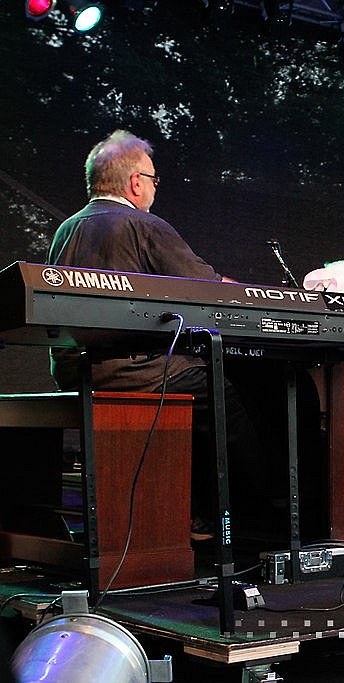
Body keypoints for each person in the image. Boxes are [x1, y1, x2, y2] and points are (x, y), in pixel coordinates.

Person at [46, 129, 253, 540]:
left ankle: (191, 512)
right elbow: (207, 288)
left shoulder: (67, 229)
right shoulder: (142, 224)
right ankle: (244, 517)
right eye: (154, 179)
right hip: (132, 372)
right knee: (232, 391)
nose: (155, 187)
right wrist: (264, 297)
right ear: (135, 182)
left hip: (72, 370)